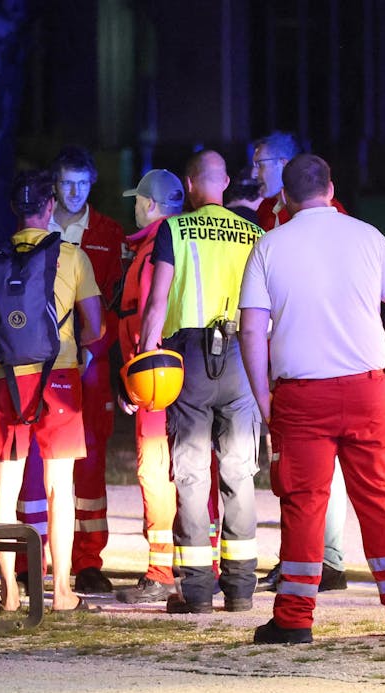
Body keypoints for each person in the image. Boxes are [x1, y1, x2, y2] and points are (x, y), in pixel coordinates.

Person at [238, 154, 385, 643]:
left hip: (301, 397)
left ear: (284, 197)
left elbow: (252, 330)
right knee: (380, 498)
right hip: (368, 388)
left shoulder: (268, 247)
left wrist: (263, 398)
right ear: (331, 187)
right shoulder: (367, 236)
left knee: (303, 503)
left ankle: (295, 620)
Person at [0, 170, 104, 613]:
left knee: (6, 486)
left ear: (13, 210)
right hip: (58, 379)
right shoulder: (72, 258)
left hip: (7, 383)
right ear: (49, 208)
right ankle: (61, 591)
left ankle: (10, 593)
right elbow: (95, 327)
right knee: (61, 486)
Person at [138, 150, 263, 614]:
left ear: (190, 185)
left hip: (187, 358)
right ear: (226, 182)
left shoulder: (174, 229)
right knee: (239, 472)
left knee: (191, 472)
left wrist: (143, 359)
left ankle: (194, 591)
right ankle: (241, 589)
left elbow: (156, 303)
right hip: (242, 358)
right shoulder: (255, 232)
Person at [45, 145, 125, 594]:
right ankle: (33, 553)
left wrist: (97, 347)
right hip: (41, 359)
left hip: (91, 358)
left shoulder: (110, 232)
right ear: (54, 186)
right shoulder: (38, 226)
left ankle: (88, 558)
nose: (74, 191)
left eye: (82, 183)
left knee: (90, 456)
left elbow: (114, 298)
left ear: (92, 184)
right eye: (66, 182)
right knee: (39, 456)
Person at [111, 169, 185, 605]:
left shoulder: (157, 247)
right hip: (187, 374)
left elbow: (146, 317)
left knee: (155, 470)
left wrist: (132, 379)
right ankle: (201, 565)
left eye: (138, 201)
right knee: (193, 469)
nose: (134, 208)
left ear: (151, 206)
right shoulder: (182, 240)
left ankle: (160, 572)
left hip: (155, 379)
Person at [251, 131, 299, 230]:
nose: (253, 174)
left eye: (259, 165)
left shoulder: (319, 208)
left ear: (283, 164)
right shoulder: (265, 208)